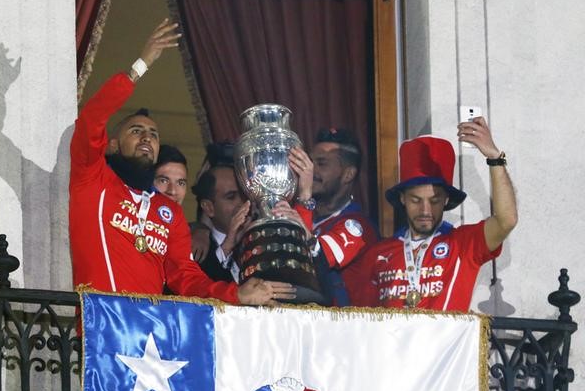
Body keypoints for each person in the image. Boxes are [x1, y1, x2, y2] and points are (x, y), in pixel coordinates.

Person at [69, 19, 295, 306]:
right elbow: (92, 118)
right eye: (135, 131)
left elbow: (186, 279)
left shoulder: (168, 212)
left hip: (151, 337)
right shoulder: (93, 178)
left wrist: (235, 294)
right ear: (113, 144)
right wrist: (140, 65)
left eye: (153, 134)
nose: (146, 138)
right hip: (101, 328)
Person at [365, 118, 517, 311]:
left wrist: (495, 158)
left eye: (434, 200)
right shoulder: (377, 254)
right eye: (416, 200)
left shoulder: (463, 244)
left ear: (446, 200)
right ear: (402, 198)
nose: (425, 210)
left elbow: (506, 220)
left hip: (446, 342)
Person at [276, 128, 379, 307]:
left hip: (341, 330)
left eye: (321, 163)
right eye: (309, 161)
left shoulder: (358, 226)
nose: (310, 170)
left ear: (348, 174)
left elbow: (311, 261)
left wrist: (305, 194)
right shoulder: (302, 213)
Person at [191, 161, 251, 283]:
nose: (242, 204)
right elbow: (199, 290)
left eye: (244, 195)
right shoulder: (195, 247)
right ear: (209, 208)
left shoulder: (258, 240)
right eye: (231, 197)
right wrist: (228, 244)